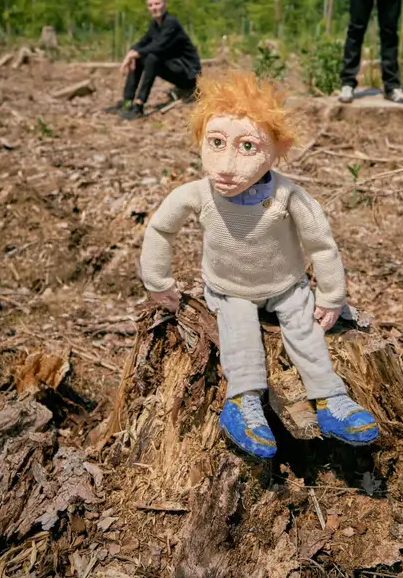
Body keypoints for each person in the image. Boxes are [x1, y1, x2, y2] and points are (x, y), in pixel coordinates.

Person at [139, 71, 379, 458]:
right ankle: (244, 402)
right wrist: (156, 279)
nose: (226, 165)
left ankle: (331, 398)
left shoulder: (287, 195)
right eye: (215, 143)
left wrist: (332, 295)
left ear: (276, 148)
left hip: (288, 285)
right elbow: (160, 229)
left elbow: (321, 244)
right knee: (240, 335)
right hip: (228, 288)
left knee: (305, 329)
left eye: (247, 146)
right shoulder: (198, 194)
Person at [114, 0, 200, 121]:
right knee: (140, 58)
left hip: (188, 74)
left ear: (164, 4)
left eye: (157, 3)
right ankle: (128, 101)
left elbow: (159, 46)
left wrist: (135, 54)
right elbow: (143, 41)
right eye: (150, 5)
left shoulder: (171, 23)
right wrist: (131, 53)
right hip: (174, 67)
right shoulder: (155, 24)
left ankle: (139, 105)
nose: (154, 8)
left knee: (152, 57)